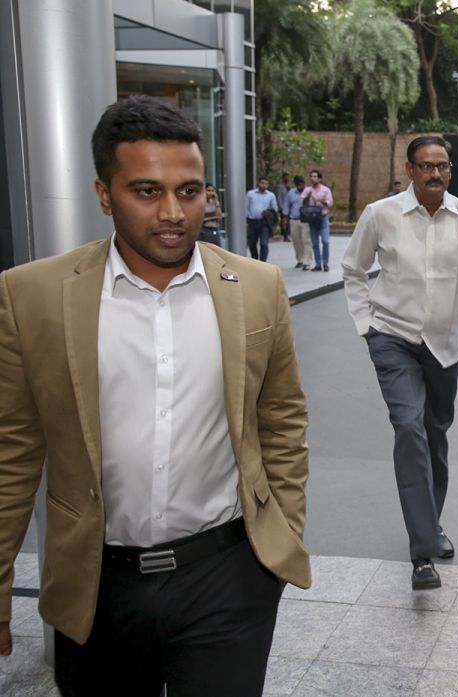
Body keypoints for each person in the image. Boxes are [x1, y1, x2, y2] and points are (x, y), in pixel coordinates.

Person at [0, 95, 311, 697]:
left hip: (228, 576)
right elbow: (12, 450)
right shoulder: (31, 296)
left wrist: (280, 540)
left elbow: (282, 419)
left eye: (189, 191)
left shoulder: (256, 287)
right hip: (97, 584)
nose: (172, 212)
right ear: (103, 193)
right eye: (146, 191)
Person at [343, 135, 458, 590]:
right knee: (409, 428)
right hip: (392, 338)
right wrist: (366, 324)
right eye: (425, 166)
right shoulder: (380, 215)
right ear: (410, 170)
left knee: (435, 435)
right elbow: (353, 269)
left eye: (442, 166)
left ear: (450, 170)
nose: (434, 174)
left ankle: (431, 525)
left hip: (445, 345)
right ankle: (422, 552)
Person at [302, 169, 334, 271]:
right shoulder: (307, 190)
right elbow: (302, 202)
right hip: (312, 219)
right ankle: (318, 264)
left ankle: (325, 263)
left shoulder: (325, 190)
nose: (312, 178)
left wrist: (320, 199)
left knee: (325, 241)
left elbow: (330, 203)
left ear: (319, 178)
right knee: (315, 243)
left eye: (315, 176)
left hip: (322, 217)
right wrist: (308, 196)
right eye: (311, 176)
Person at [245, 176, 278, 261]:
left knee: (264, 243)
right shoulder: (250, 194)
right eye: (262, 183)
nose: (264, 185)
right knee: (252, 243)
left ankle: (263, 261)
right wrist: (247, 219)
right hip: (252, 221)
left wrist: (269, 217)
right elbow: (246, 207)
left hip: (264, 222)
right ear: (258, 183)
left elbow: (274, 209)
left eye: (266, 184)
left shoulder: (271, 195)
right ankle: (255, 259)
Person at [284, 175, 311, 270]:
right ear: (296, 185)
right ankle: (300, 260)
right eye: (298, 185)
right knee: (296, 241)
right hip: (294, 219)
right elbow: (287, 205)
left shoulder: (309, 192)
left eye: (302, 184)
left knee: (306, 240)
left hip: (305, 220)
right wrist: (285, 218)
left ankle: (307, 261)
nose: (301, 186)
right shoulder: (291, 193)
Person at [275, 172, 290, 241]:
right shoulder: (280, 186)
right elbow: (278, 197)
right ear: (283, 178)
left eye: (288, 177)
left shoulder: (288, 186)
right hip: (283, 207)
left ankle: (287, 233)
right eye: (286, 177)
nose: (287, 178)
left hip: (289, 207)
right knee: (284, 221)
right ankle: (285, 235)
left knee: (287, 221)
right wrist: (280, 207)